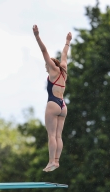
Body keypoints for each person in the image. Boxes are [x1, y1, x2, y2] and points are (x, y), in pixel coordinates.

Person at [33, 25, 72, 172]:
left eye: (46, 67)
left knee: (51, 135)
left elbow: (44, 51)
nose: (46, 69)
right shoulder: (63, 70)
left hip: (53, 103)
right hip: (63, 106)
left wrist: (37, 36)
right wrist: (67, 41)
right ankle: (56, 161)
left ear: (50, 65)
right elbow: (64, 53)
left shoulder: (53, 70)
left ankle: (50, 161)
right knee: (58, 136)